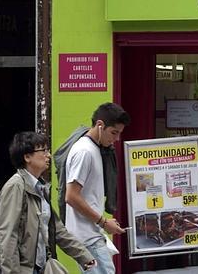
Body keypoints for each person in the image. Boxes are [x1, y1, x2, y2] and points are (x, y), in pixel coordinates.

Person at [0, 132, 96, 274]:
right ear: (27, 157)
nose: (49, 155)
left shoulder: (40, 187)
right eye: (43, 150)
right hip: (23, 269)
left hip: (41, 267)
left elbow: (57, 229)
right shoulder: (16, 187)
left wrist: (83, 255)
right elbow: (7, 236)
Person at [65, 102, 131, 274]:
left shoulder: (94, 149)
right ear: (100, 125)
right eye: (114, 133)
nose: (116, 139)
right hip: (87, 237)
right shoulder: (84, 151)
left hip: (91, 234)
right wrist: (102, 222)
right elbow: (71, 196)